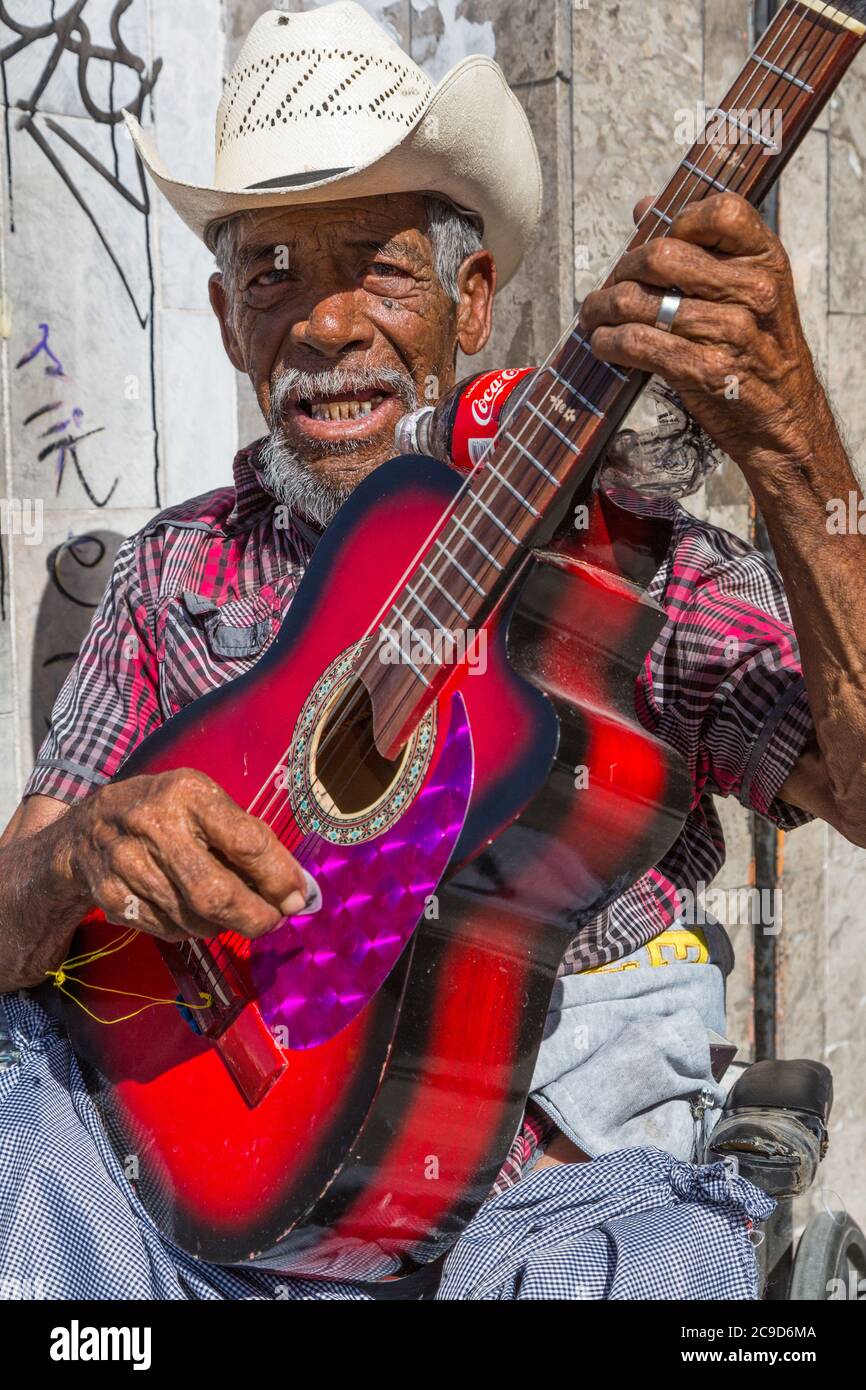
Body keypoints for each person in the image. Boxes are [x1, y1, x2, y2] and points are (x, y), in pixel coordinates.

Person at [1, 2, 864, 1301]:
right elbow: (17, 912)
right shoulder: (171, 568)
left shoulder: (628, 577)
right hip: (181, 1217)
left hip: (531, 1223)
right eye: (272, 271)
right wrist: (76, 852)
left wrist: (794, 449)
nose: (327, 323)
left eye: (377, 265)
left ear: (470, 300)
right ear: (227, 319)